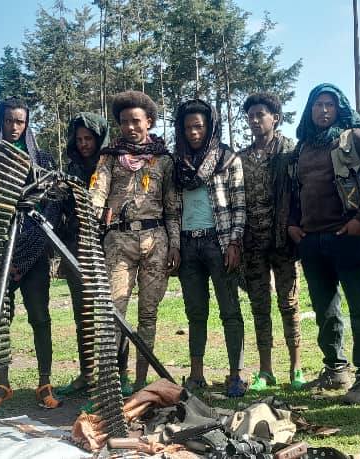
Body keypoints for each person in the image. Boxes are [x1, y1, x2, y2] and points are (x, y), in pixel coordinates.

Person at [287, 83, 360, 404]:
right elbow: (295, 191)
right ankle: (335, 369)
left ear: (339, 108)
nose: (323, 110)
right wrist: (292, 224)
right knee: (324, 310)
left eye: (329, 105)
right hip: (312, 241)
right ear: (309, 110)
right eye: (317, 104)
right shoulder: (302, 148)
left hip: (348, 237)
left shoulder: (357, 139)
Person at [90, 91, 180, 392]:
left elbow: (172, 207)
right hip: (119, 241)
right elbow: (98, 192)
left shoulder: (164, 159)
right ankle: (111, 384)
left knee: (148, 315)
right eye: (124, 121)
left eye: (136, 121)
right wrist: (92, 212)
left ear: (149, 122)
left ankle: (142, 381)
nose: (130, 127)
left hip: (156, 243)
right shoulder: (109, 157)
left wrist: (175, 245)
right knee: (114, 312)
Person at [0, 98, 63, 409]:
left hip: (33, 255)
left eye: (20, 121)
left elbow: (52, 209)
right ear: (0, 121)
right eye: (9, 120)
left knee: (40, 317)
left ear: (27, 124)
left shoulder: (42, 160)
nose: (14, 127)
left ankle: (44, 382)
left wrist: (26, 258)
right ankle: (2, 383)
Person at [173, 99, 247, 397]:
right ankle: (196, 375)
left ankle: (236, 375)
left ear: (210, 127)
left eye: (199, 127)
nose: (193, 132)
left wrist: (234, 242)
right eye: (188, 127)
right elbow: (172, 208)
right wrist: (175, 245)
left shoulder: (227, 158)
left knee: (230, 310)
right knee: (195, 312)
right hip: (188, 244)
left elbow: (239, 204)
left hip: (220, 242)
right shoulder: (176, 163)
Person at [237, 93, 304, 392]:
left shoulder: (291, 151)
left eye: (260, 114)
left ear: (275, 118)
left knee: (289, 303)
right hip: (253, 243)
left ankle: (296, 367)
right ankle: (266, 370)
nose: (254, 120)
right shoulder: (241, 158)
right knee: (259, 307)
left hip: (283, 241)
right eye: (250, 115)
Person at [55, 112, 110, 398]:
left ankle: (114, 375)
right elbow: (59, 209)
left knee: (111, 314)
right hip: (76, 246)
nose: (84, 144)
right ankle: (87, 374)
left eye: (89, 138)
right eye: (79, 139)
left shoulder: (112, 166)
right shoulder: (71, 170)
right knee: (83, 314)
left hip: (108, 245)